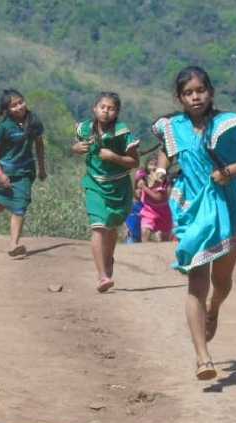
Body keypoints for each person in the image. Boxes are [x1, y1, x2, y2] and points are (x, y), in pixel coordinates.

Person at [152, 66, 236, 380]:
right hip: (192, 209)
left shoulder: (230, 124)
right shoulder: (173, 126)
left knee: (221, 281)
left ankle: (214, 308)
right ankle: (202, 358)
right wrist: (161, 171)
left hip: (228, 206)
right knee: (196, 281)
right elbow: (168, 152)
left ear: (211, 92)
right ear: (179, 98)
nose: (195, 97)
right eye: (188, 93)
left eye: (200, 91)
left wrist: (231, 170)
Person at [71, 92, 139, 292]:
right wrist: (76, 148)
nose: (106, 111)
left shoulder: (122, 133)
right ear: (95, 108)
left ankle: (108, 259)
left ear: (117, 112)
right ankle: (102, 276)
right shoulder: (85, 129)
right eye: (103, 107)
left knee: (111, 227)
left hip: (119, 187)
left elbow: (135, 162)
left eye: (111, 108)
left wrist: (113, 157)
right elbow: (75, 146)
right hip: (94, 185)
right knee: (98, 227)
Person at [0, 89, 47, 257]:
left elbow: (39, 144)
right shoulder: (4, 127)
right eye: (14, 105)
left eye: (21, 102)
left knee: (20, 205)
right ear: (7, 110)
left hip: (25, 171)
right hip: (3, 171)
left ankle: (14, 244)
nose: (19, 107)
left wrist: (42, 168)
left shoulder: (33, 121)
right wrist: (1, 174)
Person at [137, 156, 173, 242]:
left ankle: (164, 252)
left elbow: (159, 198)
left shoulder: (164, 182)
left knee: (165, 238)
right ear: (146, 167)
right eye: (151, 165)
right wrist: (138, 189)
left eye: (156, 165)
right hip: (149, 210)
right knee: (145, 232)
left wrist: (144, 188)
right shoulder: (144, 179)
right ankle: (144, 251)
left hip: (164, 212)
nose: (153, 167)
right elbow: (137, 193)